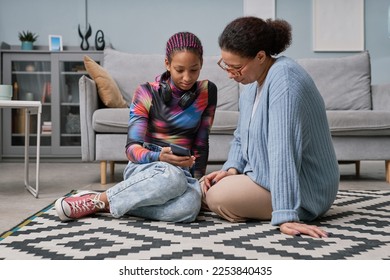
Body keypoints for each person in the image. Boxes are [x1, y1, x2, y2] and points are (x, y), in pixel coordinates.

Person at [56, 32, 217, 223]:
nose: (187, 77)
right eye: (179, 70)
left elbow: (201, 142)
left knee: (189, 209)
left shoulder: (207, 92)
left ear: (201, 64)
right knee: (172, 177)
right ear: (167, 63)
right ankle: (99, 199)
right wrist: (159, 156)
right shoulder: (146, 92)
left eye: (194, 69)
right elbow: (131, 149)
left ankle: (111, 202)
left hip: (183, 172)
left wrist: (198, 181)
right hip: (147, 166)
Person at [201, 17, 340, 238]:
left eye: (236, 67)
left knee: (216, 197)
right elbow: (240, 137)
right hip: (264, 177)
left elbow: (283, 148)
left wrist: (286, 215)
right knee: (201, 187)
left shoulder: (284, 80)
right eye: (225, 65)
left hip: (305, 190)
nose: (230, 74)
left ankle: (272, 205)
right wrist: (231, 168)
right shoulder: (251, 86)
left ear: (261, 56)